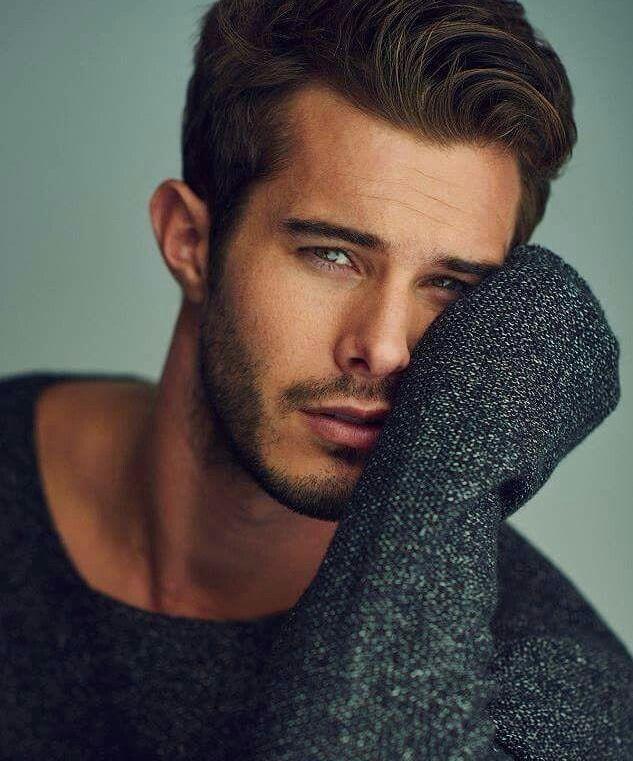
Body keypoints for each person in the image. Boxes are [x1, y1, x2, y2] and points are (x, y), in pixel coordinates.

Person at [2, 1, 629, 758]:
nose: (385, 348)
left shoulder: (548, 688)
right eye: (332, 256)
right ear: (189, 240)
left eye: (450, 286)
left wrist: (448, 476)